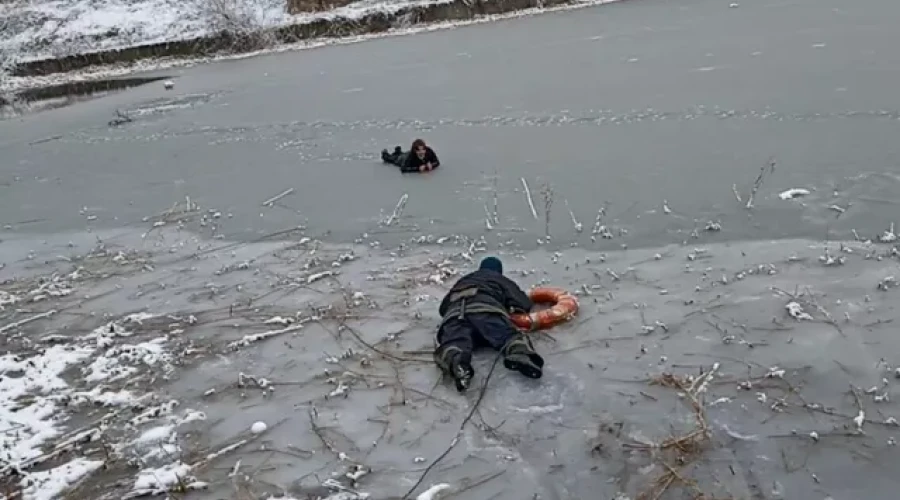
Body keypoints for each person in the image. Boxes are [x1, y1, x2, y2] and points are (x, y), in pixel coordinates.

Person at [434, 256, 545, 392]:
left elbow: (442, 309)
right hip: (486, 312)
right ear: (498, 271)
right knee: (508, 337)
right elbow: (523, 302)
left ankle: (457, 362)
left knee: (454, 344)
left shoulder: (463, 281)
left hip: (455, 317)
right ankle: (519, 354)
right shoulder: (498, 278)